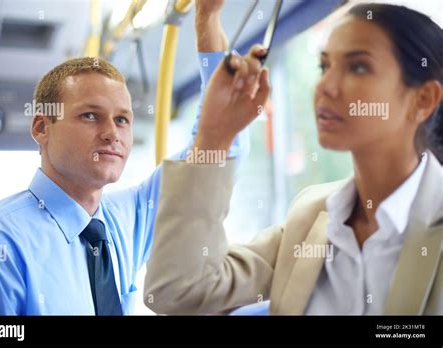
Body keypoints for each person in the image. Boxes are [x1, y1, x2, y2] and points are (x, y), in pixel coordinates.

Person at [144, 3, 443, 315]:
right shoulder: (311, 218)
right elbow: (176, 291)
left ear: (423, 100)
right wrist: (213, 135)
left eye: (357, 67)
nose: (325, 86)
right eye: (324, 67)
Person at [0, 0, 246, 315]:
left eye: (122, 120)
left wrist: (208, 20)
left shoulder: (129, 217)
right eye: (90, 115)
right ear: (41, 127)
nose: (112, 133)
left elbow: (219, 145)